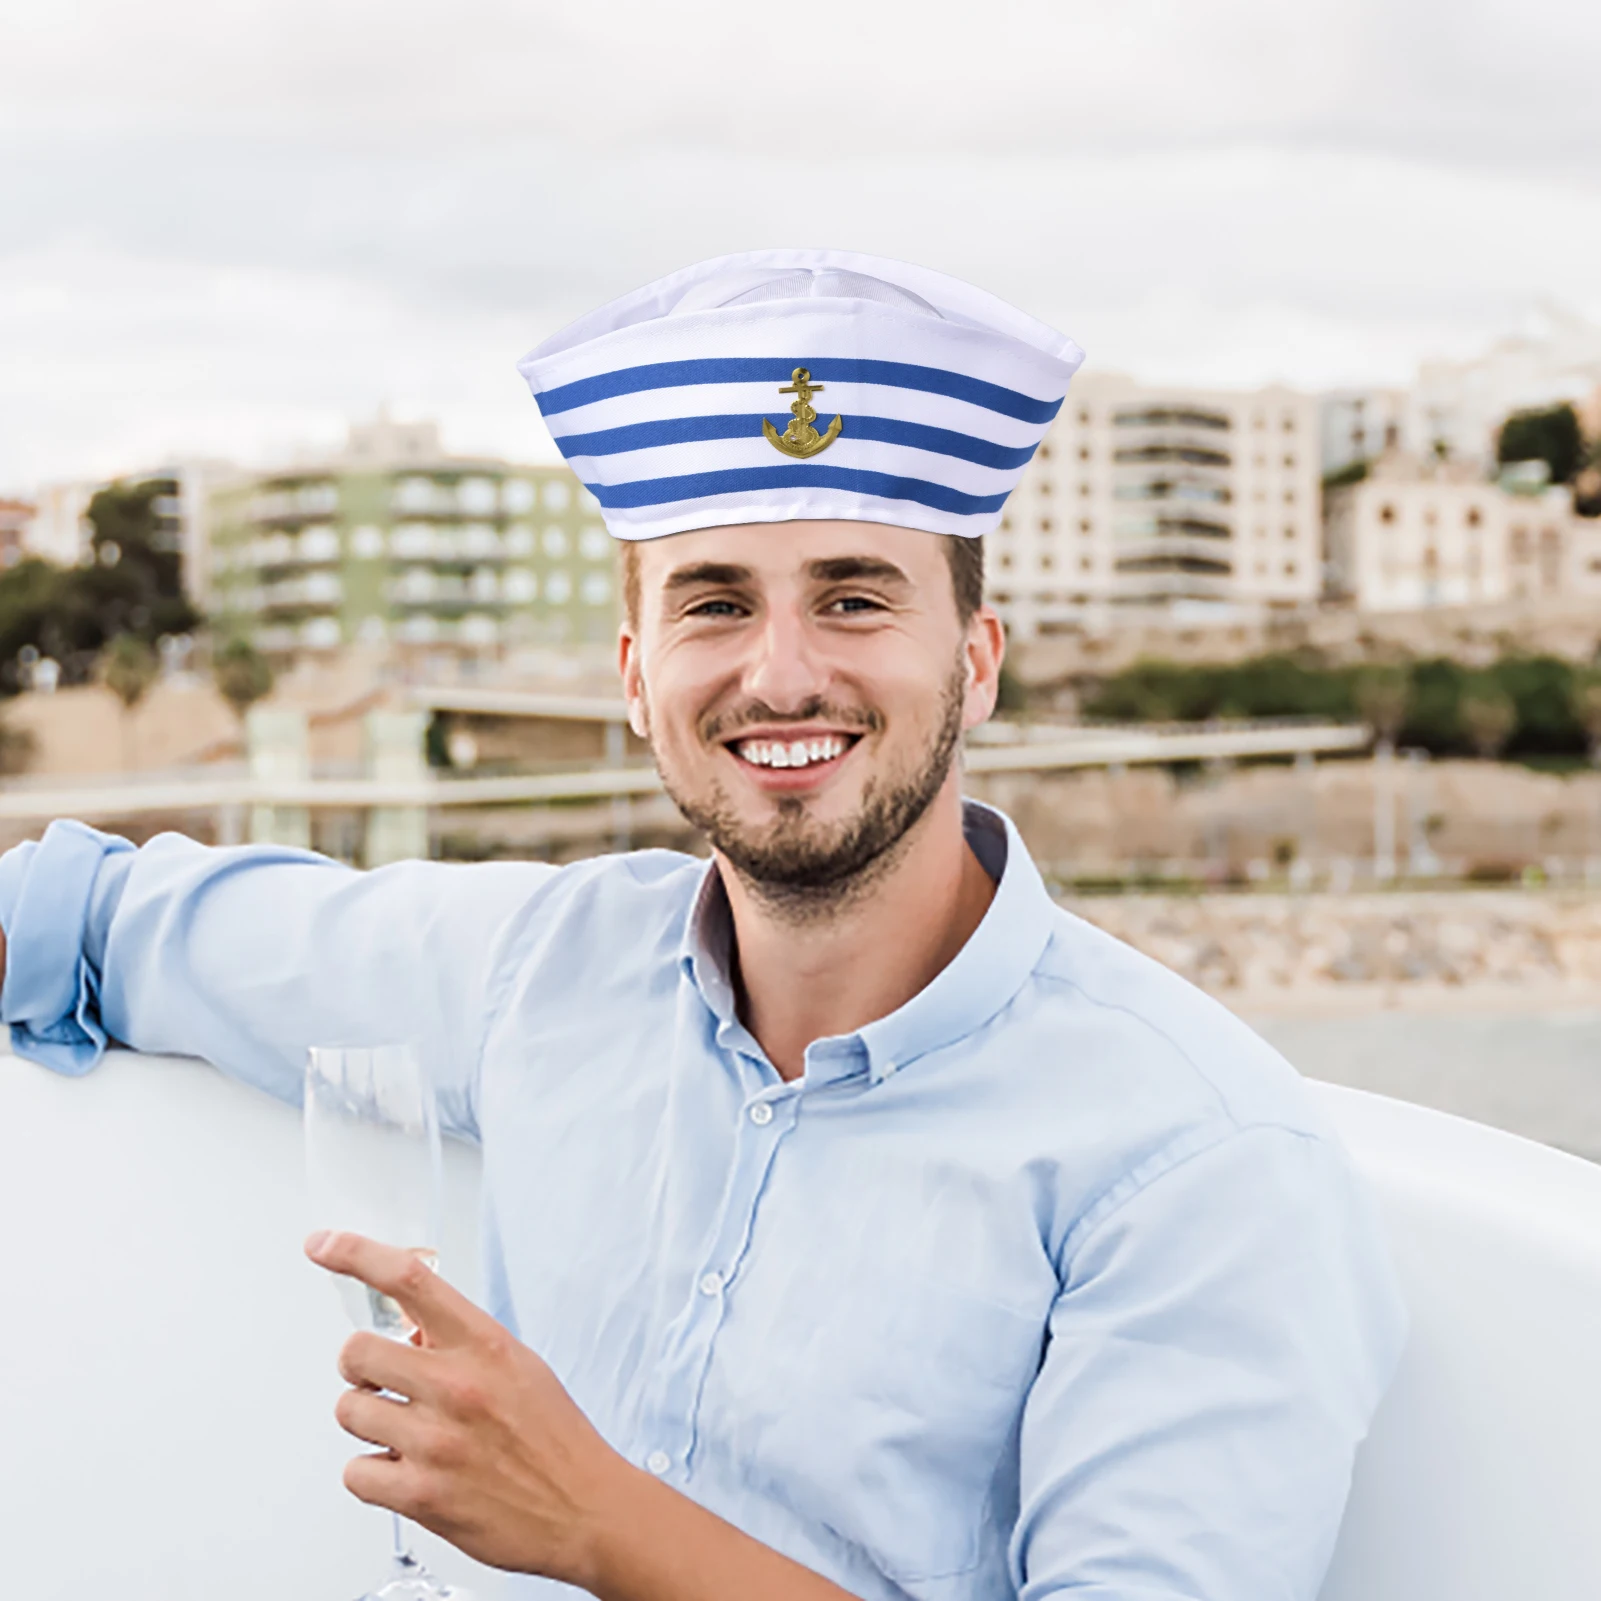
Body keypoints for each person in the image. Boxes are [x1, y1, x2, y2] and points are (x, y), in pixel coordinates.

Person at [0, 249, 1405, 1601]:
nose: (781, 673)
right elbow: (94, 922)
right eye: (714, 603)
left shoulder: (1196, 1160)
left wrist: (597, 1522)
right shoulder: (536, 973)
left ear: (974, 664)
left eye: (854, 598)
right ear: (634, 673)